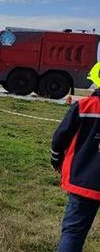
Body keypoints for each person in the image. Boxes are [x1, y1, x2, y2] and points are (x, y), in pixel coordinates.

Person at [52, 62, 100, 252]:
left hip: (83, 181)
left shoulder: (84, 106)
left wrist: (56, 159)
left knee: (73, 232)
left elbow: (59, 138)